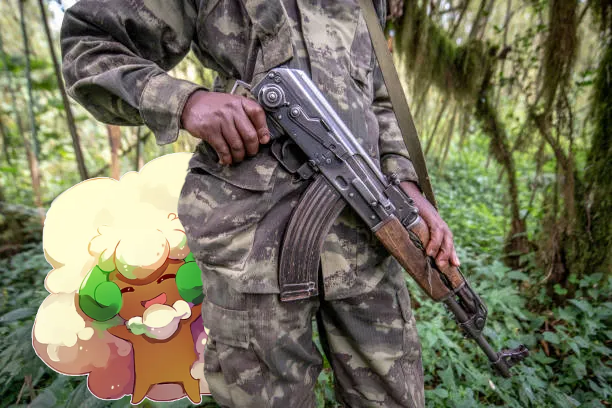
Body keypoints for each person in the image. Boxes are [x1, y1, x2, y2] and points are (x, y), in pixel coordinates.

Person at [60, 1, 460, 406]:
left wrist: (407, 186)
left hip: (367, 237)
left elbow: (377, 96)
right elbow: (89, 44)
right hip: (252, 249)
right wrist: (185, 102)